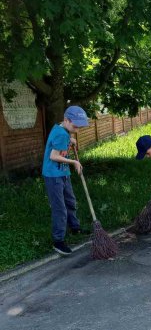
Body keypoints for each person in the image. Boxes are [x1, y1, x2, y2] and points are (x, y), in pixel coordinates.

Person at [42, 105, 90, 255]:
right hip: (53, 175)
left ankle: (74, 227)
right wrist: (75, 162)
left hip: (63, 173)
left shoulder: (62, 129)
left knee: (70, 201)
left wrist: (71, 140)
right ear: (66, 120)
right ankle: (58, 241)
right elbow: (53, 156)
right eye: (76, 126)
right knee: (60, 208)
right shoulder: (61, 134)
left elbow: (61, 135)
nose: (78, 129)